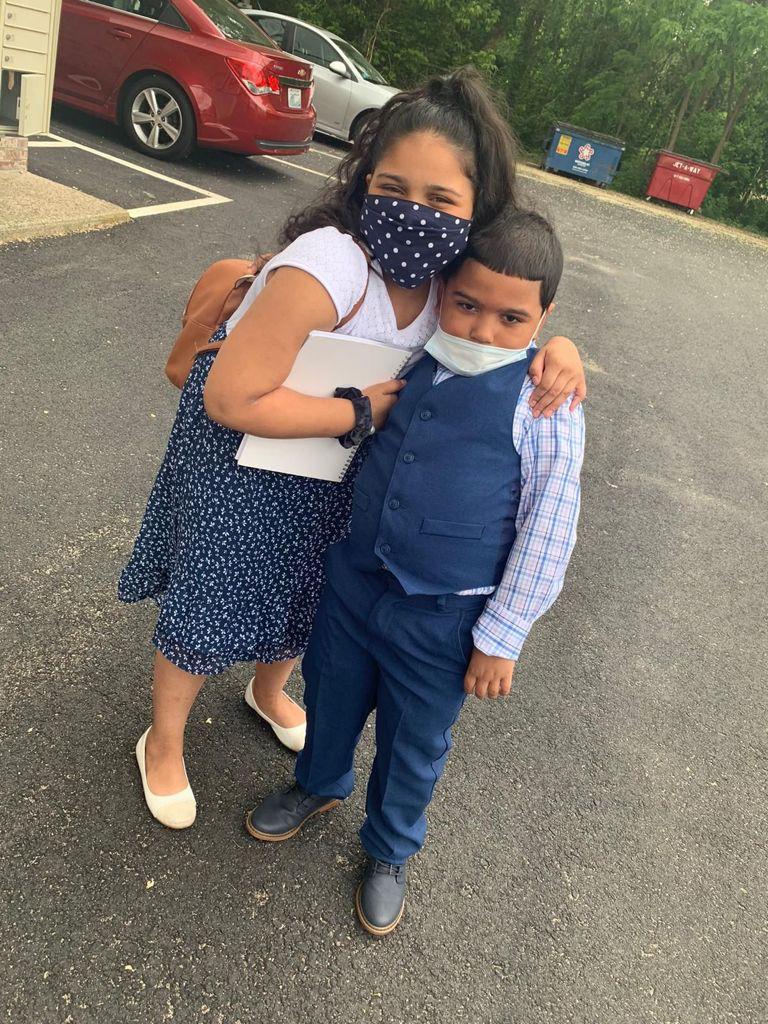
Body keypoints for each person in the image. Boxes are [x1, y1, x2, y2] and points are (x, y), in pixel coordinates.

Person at [119, 68, 587, 830]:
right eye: (394, 188)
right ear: (366, 179)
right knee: (213, 595)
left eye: (441, 200)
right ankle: (163, 741)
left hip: (335, 467)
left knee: (310, 592)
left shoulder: (445, 282)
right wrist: (355, 412)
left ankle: (269, 690)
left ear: (475, 212)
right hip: (247, 458)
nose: (414, 212)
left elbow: (506, 315)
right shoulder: (333, 261)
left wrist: (558, 348)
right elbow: (229, 399)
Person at [245, 208, 585, 936]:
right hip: (356, 583)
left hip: (444, 616)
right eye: (466, 305)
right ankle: (318, 783)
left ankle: (390, 849)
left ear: (544, 316)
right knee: (330, 693)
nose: (482, 330)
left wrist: (503, 636)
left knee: (414, 743)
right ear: (443, 294)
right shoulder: (414, 354)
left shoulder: (545, 402)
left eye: (511, 318)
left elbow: (549, 526)